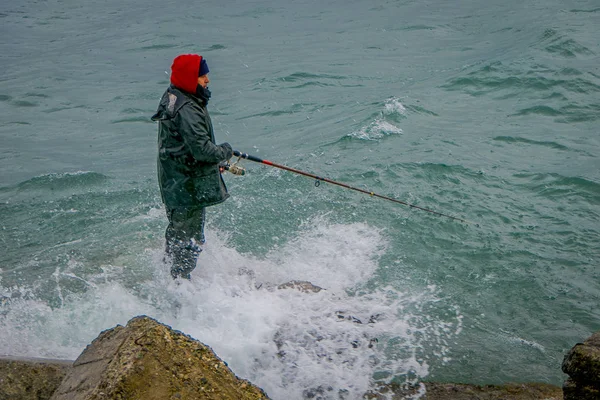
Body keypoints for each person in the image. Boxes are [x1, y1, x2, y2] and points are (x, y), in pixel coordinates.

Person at [151, 54, 233, 279]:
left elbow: (187, 146)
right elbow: (202, 150)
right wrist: (225, 151)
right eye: (202, 76)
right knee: (189, 240)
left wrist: (216, 162)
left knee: (178, 234)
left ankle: (169, 280)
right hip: (187, 186)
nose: (207, 80)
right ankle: (181, 287)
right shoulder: (187, 108)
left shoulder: (174, 96)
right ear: (189, 78)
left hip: (175, 181)